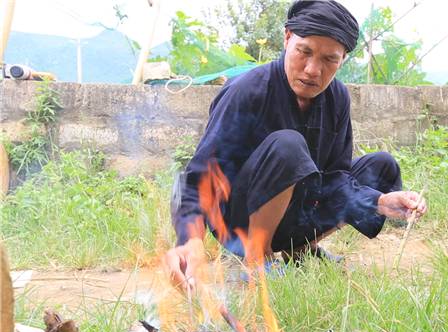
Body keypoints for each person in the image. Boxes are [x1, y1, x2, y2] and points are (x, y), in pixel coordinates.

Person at [165, 0, 427, 288]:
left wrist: (378, 201)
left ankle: (299, 249)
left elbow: (337, 178)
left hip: (297, 210)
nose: (313, 70)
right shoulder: (247, 90)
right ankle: (259, 259)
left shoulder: (337, 97)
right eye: (305, 52)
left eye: (330, 60)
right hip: (239, 219)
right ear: (287, 38)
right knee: (288, 146)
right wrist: (190, 239)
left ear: (343, 60)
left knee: (381, 167)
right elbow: (199, 176)